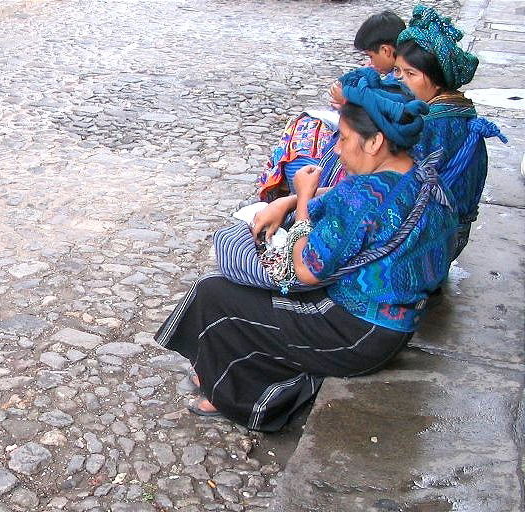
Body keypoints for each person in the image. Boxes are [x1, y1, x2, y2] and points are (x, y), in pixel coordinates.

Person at [155, 72, 458, 430]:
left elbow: (306, 269)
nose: (338, 149)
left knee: (215, 293)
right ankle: (220, 373)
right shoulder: (424, 180)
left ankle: (238, 397)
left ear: (375, 141)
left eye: (344, 139)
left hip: (354, 333)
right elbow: (346, 207)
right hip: (392, 328)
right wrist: (290, 199)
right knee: (239, 297)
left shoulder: (362, 195)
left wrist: (300, 203)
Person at [256, 11, 406, 202]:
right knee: (304, 127)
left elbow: (308, 231)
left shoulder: (368, 194)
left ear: (386, 50)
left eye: (370, 55)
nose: (370, 63)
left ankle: (290, 186)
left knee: (300, 156)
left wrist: (300, 201)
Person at [394, 5, 506, 258]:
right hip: (451, 236)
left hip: (428, 244)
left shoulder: (433, 124)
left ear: (437, 79)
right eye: (398, 71)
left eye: (411, 73)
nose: (400, 79)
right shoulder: (458, 110)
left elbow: (401, 190)